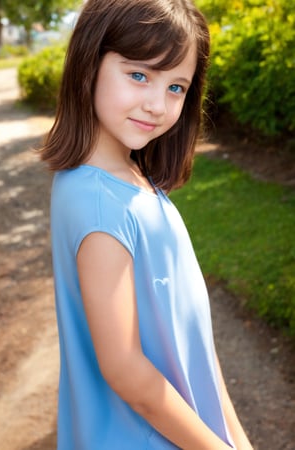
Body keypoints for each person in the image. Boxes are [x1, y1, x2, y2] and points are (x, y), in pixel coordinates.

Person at [41, 0, 254, 448]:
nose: (158, 104)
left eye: (177, 86)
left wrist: (234, 436)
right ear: (89, 65)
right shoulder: (100, 203)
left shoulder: (127, 177)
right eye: (139, 75)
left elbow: (196, 340)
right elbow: (127, 372)